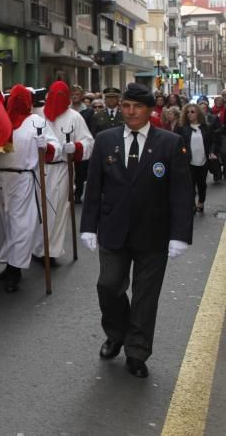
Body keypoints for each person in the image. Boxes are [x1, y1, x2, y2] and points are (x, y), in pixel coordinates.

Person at [81, 83, 193, 379]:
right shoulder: (105, 140)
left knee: (146, 295)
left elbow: (181, 192)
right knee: (108, 285)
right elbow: (93, 187)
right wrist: (88, 227)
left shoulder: (169, 142)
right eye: (127, 106)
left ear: (150, 110)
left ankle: (137, 351)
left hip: (154, 233)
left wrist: (180, 234)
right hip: (113, 230)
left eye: (137, 107)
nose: (130, 112)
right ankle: (117, 333)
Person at [0, 85, 60, 293]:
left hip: (22, 178)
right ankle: (9, 262)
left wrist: (47, 146)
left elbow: (56, 148)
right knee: (0, 222)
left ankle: (15, 269)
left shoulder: (36, 122)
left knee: (20, 224)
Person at [35, 81, 94, 263]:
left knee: (58, 210)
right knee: (37, 211)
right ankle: (36, 247)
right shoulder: (37, 114)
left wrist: (75, 148)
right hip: (37, 169)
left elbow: (88, 142)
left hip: (61, 169)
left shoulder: (75, 117)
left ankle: (51, 251)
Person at [176, 103, 215, 213]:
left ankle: (201, 202)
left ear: (198, 113)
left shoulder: (205, 127)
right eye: (187, 112)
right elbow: (178, 144)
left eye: (192, 112)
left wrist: (211, 152)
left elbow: (212, 142)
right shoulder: (182, 128)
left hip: (203, 161)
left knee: (202, 183)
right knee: (190, 185)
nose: (189, 114)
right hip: (189, 161)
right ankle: (192, 204)